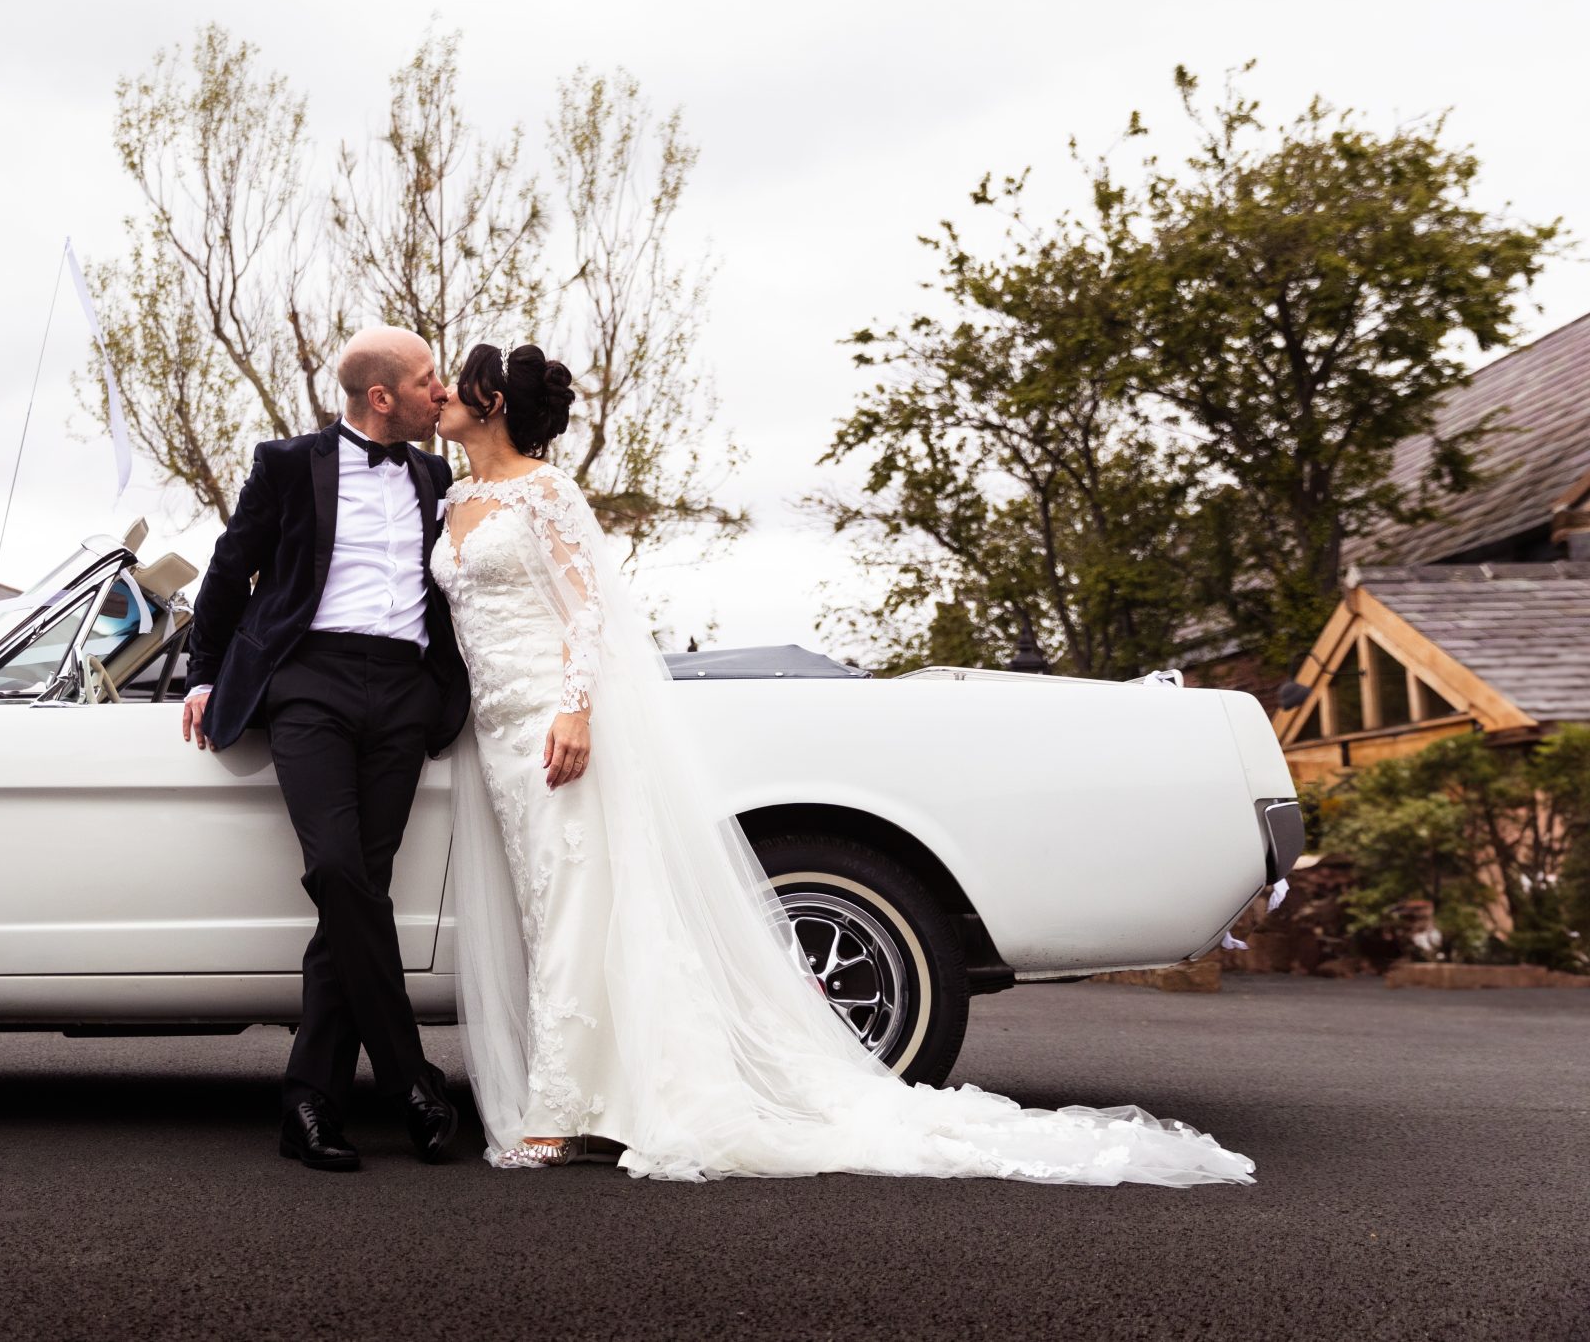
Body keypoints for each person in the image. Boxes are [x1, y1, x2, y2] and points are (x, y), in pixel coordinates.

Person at [432, 341, 1256, 1184]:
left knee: (579, 903)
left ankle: (570, 1111)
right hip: (492, 733)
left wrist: (575, 708)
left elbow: (591, 611)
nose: (439, 397)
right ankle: (598, 1095)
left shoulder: (546, 490)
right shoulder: (455, 495)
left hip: (554, 727)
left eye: (452, 385)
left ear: (490, 401)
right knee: (546, 909)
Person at [181, 325, 473, 1174]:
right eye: (426, 379)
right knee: (338, 870)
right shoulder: (286, 464)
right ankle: (411, 1077)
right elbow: (230, 570)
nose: (439, 389)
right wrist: (202, 675)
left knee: (359, 892)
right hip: (311, 682)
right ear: (380, 397)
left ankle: (307, 1101)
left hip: (405, 690)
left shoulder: (432, 473)